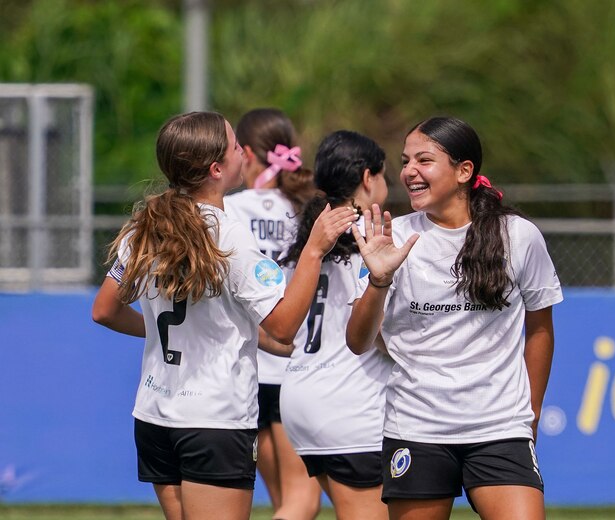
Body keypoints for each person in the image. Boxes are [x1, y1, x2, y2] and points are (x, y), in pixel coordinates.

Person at [91, 111, 357, 520]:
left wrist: (165, 338)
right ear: (217, 168)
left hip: (153, 414)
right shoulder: (229, 234)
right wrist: (314, 250)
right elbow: (283, 326)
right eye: (235, 146)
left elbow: (104, 309)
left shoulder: (144, 225)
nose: (242, 153)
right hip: (214, 419)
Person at [346, 116, 563, 520]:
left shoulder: (518, 235)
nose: (409, 171)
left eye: (424, 160)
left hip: (500, 428)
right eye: (406, 160)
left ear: (464, 171)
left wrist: (529, 415)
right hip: (416, 427)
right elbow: (357, 342)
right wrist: (378, 280)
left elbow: (540, 327)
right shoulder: (391, 238)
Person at [278, 130, 392, 520]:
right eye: (383, 174)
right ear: (366, 177)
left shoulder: (313, 237)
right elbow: (381, 334)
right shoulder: (369, 239)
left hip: (300, 397)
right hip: (350, 403)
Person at [223, 108, 322, 519]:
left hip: (248, 364)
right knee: (303, 500)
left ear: (246, 153)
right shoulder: (307, 206)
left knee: (284, 500)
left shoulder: (230, 207)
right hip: (293, 361)